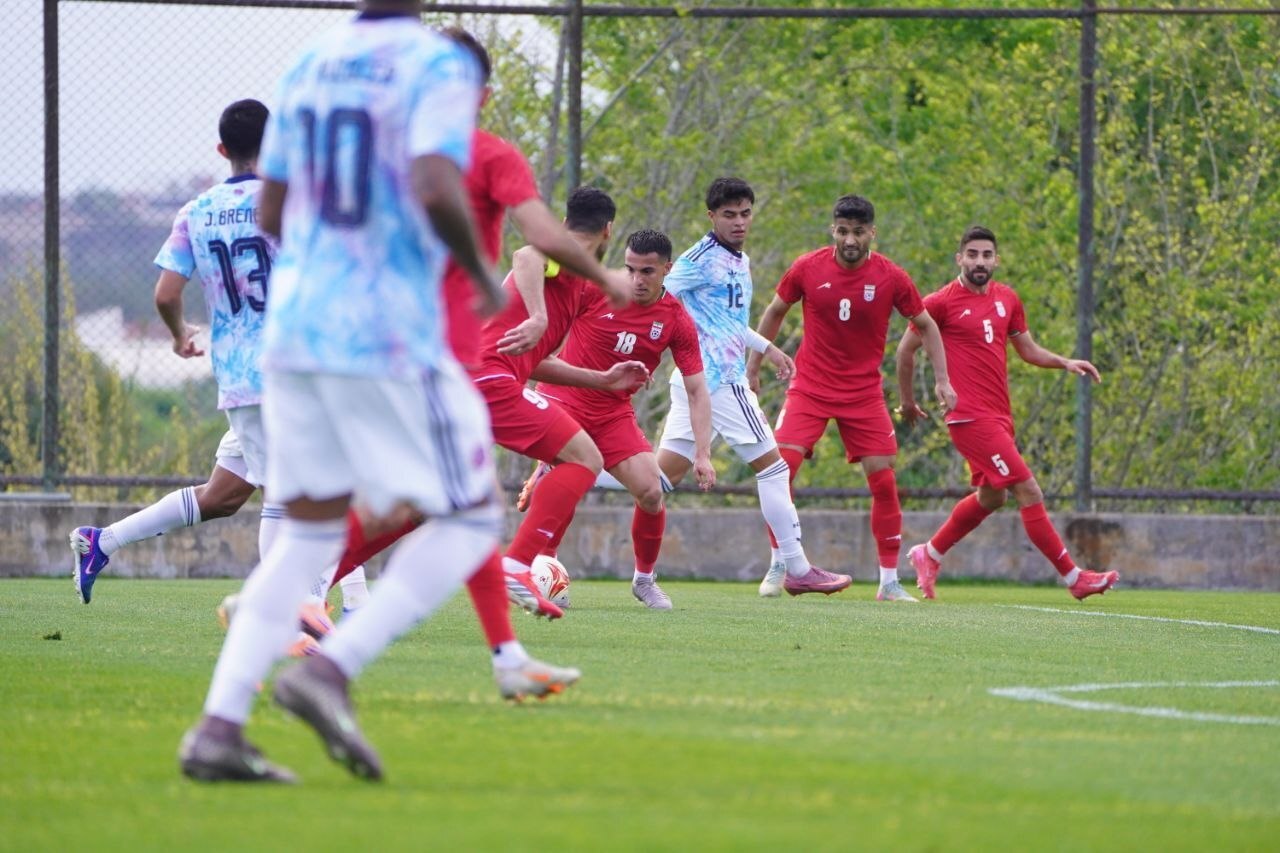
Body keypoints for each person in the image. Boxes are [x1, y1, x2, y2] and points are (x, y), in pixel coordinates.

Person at [180, 4, 572, 784]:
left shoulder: (311, 64)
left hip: (293, 331)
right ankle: (331, 670)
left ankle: (218, 729)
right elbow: (433, 183)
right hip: (383, 331)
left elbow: (272, 209)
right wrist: (481, 273)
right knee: (468, 515)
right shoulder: (431, 64)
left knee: (306, 535)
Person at [66, 99, 368, 626]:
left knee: (225, 495)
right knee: (305, 490)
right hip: (296, 368)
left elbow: (165, 293)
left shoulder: (196, 212)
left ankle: (101, 542)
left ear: (221, 149)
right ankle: (295, 609)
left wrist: (180, 333)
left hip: (239, 375)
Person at [747, 195, 956, 601]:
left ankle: (889, 582)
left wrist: (942, 380)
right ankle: (780, 563)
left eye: (858, 232)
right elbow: (774, 311)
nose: (850, 240)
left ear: (871, 233)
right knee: (780, 470)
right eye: (843, 231)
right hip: (810, 386)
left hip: (863, 393)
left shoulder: (891, 277)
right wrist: (753, 365)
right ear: (833, 230)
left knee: (884, 481)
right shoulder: (807, 267)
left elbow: (927, 325)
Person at [896, 225, 1118, 600]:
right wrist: (908, 401)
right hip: (968, 416)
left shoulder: (1007, 299)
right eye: (972, 255)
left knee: (992, 498)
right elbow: (905, 351)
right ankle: (1074, 578)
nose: (979, 262)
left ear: (996, 260)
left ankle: (929, 553)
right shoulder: (939, 303)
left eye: (986, 255)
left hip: (1000, 415)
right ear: (959, 258)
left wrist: (1064, 362)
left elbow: (1027, 350)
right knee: (1028, 489)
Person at [654, 177, 851, 597]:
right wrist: (652, 346)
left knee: (659, 479)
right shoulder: (697, 260)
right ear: (711, 216)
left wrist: (768, 348)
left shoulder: (739, 259)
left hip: (695, 382)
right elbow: (655, 295)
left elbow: (727, 323)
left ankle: (571, 466)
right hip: (720, 381)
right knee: (774, 469)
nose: (739, 222)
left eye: (745, 213)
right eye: (729, 215)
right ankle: (797, 569)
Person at [525, 229, 716, 609]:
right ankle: (544, 568)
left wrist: (703, 454)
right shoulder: (593, 290)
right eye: (630, 269)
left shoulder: (676, 320)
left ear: (667, 269)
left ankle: (644, 580)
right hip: (564, 401)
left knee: (651, 491)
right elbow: (542, 344)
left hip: (613, 414)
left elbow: (697, 390)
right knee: (567, 483)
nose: (636, 279)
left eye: (647, 271)